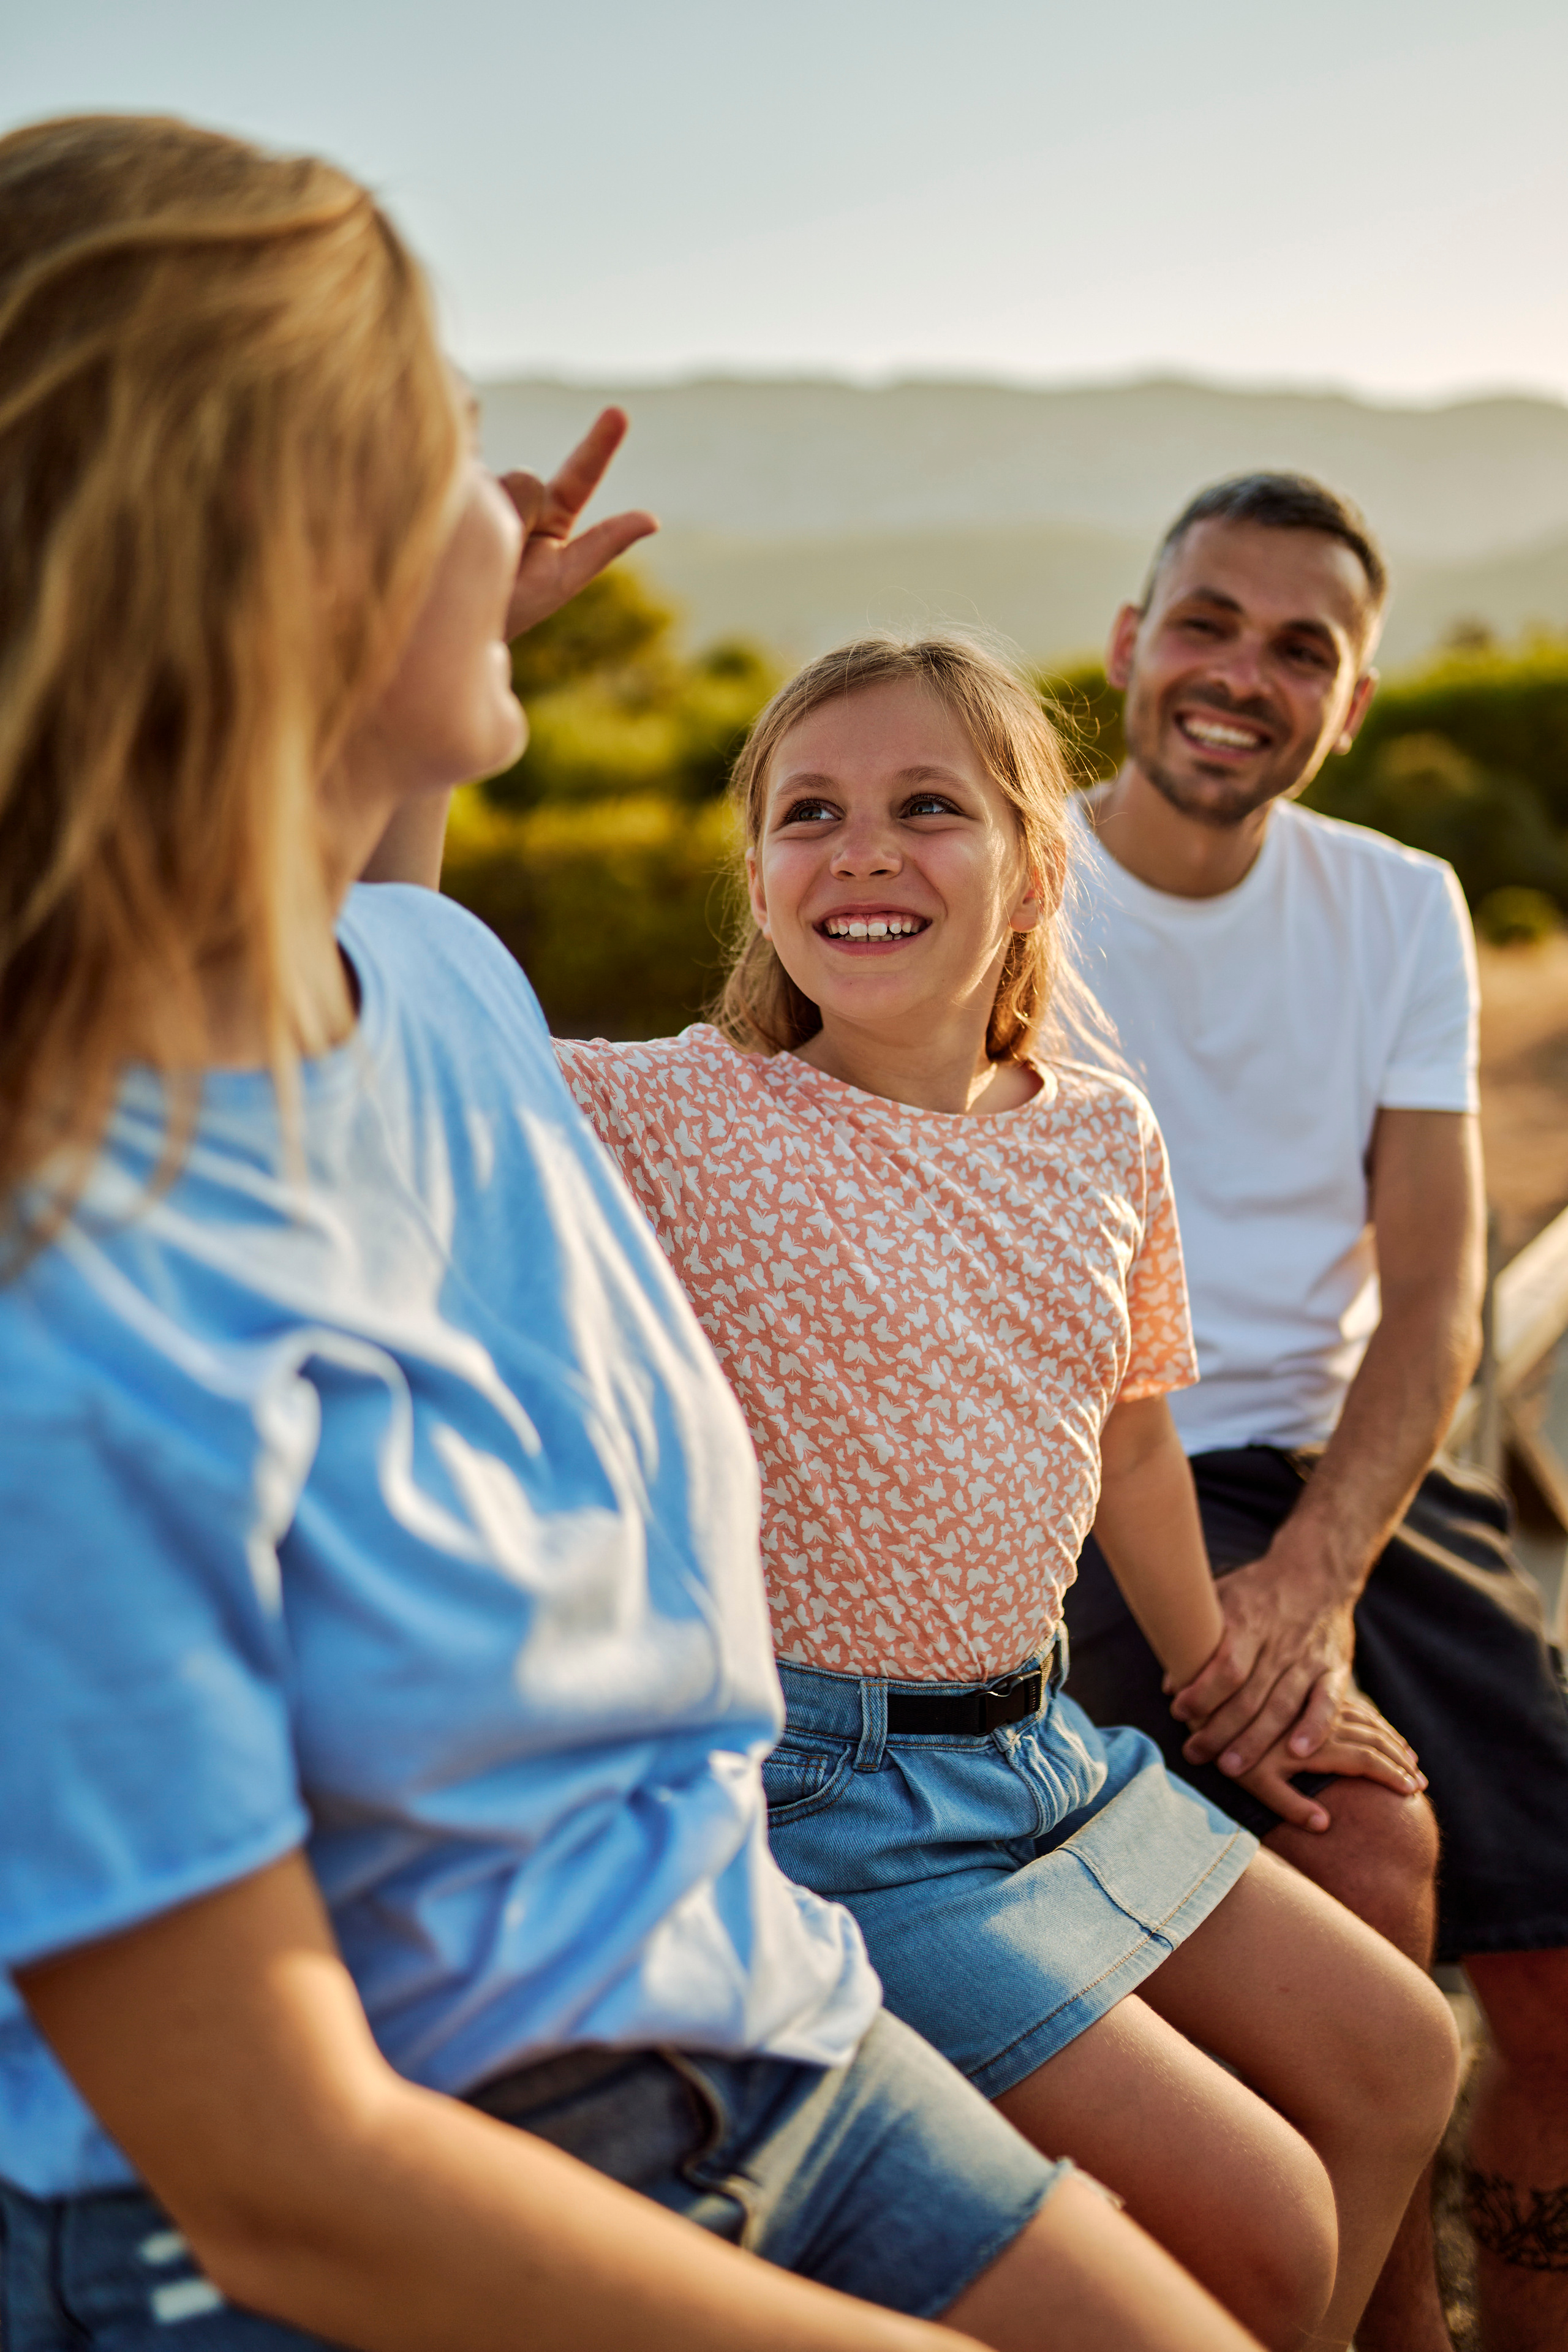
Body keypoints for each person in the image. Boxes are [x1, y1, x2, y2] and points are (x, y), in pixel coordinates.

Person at [0, 114, 1274, 2352]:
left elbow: (341, 909)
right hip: (371, 2216)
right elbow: (286, 2179)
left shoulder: (444, 982)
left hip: (746, 2015)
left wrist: (418, 687)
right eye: (437, 461)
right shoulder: (66, 1303)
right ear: (279, 562)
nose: (493, 517)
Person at [541, 634, 1462, 2352]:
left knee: (1399, 2056)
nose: (863, 850)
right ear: (758, 877)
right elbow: (386, 1010)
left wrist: (1229, 1699)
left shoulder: (1102, 1137)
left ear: (1039, 873)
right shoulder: (678, 1116)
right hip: (830, 1806)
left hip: (1054, 1756)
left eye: (926, 808)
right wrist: (417, 714)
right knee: (1262, 2221)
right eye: (807, 813)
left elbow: (1121, 1441)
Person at [1060, 470, 1568, 2352]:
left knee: (1561, 1991)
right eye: (1207, 621)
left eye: (1302, 649)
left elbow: (1436, 1284)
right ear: (1129, 642)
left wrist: (1324, 1573)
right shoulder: (1012, 873)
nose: (1239, 675)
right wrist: (1238, 1602)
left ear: (1349, 704)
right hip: (1110, 1469)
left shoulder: (1397, 904)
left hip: (1357, 1459)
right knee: (1354, 1866)